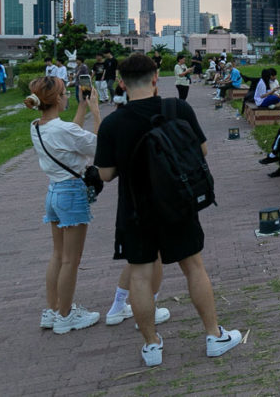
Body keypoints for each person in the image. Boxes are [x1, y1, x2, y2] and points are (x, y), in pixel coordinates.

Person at [95, 54, 242, 367]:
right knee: (193, 267)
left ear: (121, 82)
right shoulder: (178, 109)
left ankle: (151, 346)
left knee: (140, 276)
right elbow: (201, 149)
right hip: (177, 201)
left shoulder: (112, 123)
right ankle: (214, 336)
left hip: (134, 207)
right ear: (155, 78)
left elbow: (105, 174)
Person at [26, 75, 102, 334]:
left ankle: (53, 309)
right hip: (71, 193)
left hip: (54, 193)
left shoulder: (37, 126)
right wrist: (96, 113)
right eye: (64, 92)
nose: (68, 95)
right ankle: (67, 316)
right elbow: (97, 148)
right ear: (57, 99)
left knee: (58, 255)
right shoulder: (62, 130)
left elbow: (72, 136)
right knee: (72, 259)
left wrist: (82, 108)